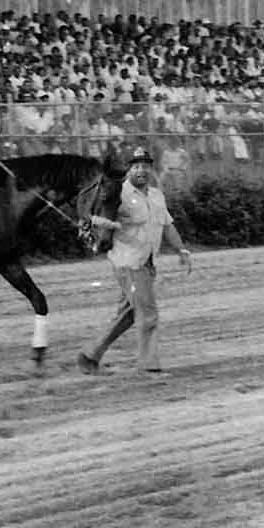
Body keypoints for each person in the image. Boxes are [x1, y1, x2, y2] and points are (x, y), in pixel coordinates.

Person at [78, 146, 192, 375]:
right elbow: (91, 218)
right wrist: (106, 224)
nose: (142, 170)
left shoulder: (156, 195)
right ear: (129, 170)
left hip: (147, 262)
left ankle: (90, 355)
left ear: (151, 169)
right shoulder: (117, 192)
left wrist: (181, 250)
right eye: (137, 166)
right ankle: (148, 366)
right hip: (128, 263)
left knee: (129, 313)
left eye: (146, 166)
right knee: (148, 313)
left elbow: (167, 224)